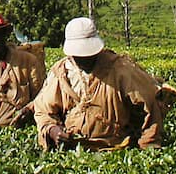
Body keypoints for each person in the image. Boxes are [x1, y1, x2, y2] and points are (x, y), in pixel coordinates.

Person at [32, 16, 168, 150]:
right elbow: (43, 110)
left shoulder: (121, 70)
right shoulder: (61, 73)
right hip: (74, 151)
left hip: (116, 148)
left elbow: (151, 104)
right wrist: (52, 130)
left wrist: (148, 146)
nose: (84, 59)